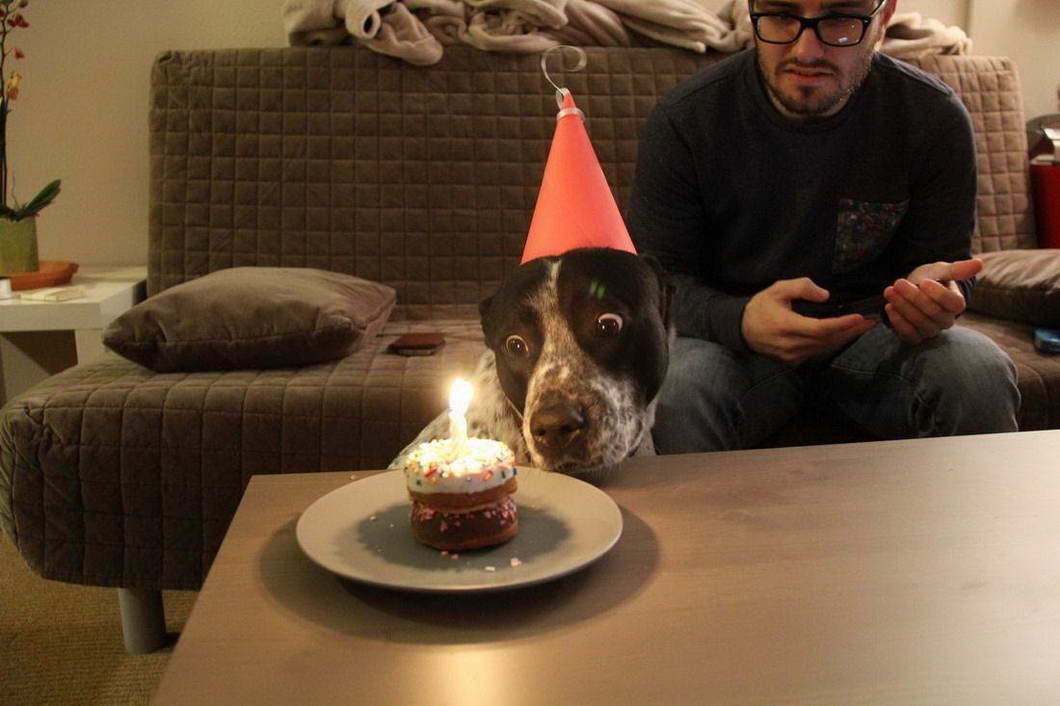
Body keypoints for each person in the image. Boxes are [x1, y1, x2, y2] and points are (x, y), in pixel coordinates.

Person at [627, 0, 1020, 453]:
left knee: (975, 371)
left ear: (884, 16)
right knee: (679, 386)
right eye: (781, 16)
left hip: (878, 340)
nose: (807, 50)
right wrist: (740, 320)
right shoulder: (685, 119)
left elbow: (945, 264)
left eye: (839, 20)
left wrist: (934, 297)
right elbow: (654, 286)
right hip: (733, 348)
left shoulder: (934, 117)